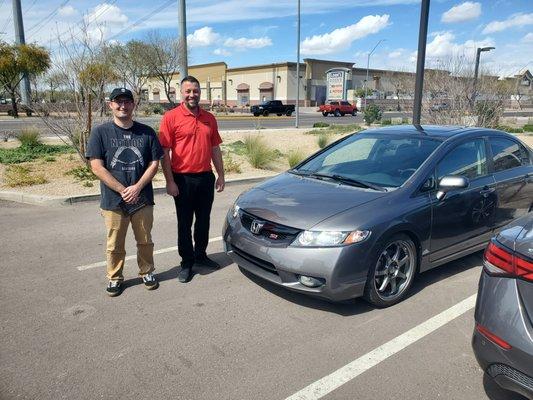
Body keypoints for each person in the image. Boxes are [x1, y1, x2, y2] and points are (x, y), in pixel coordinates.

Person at [86, 87, 164, 297]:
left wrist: (137, 187)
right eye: (118, 102)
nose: (123, 106)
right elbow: (97, 167)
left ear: (133, 104)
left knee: (145, 240)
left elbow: (154, 163)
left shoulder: (146, 132)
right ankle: (114, 277)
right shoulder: (100, 133)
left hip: (142, 199)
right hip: (114, 200)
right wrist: (122, 190)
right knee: (115, 244)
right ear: (110, 105)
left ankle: (147, 272)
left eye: (127, 102)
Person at [159, 76, 225, 283]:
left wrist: (221, 175)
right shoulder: (170, 117)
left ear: (200, 93)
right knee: (184, 223)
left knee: (203, 221)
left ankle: (201, 256)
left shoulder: (209, 118)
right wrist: (170, 181)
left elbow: (215, 148)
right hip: (182, 180)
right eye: (188, 91)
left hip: (205, 178)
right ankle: (186, 263)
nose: (192, 95)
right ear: (181, 93)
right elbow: (164, 152)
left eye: (195, 91)